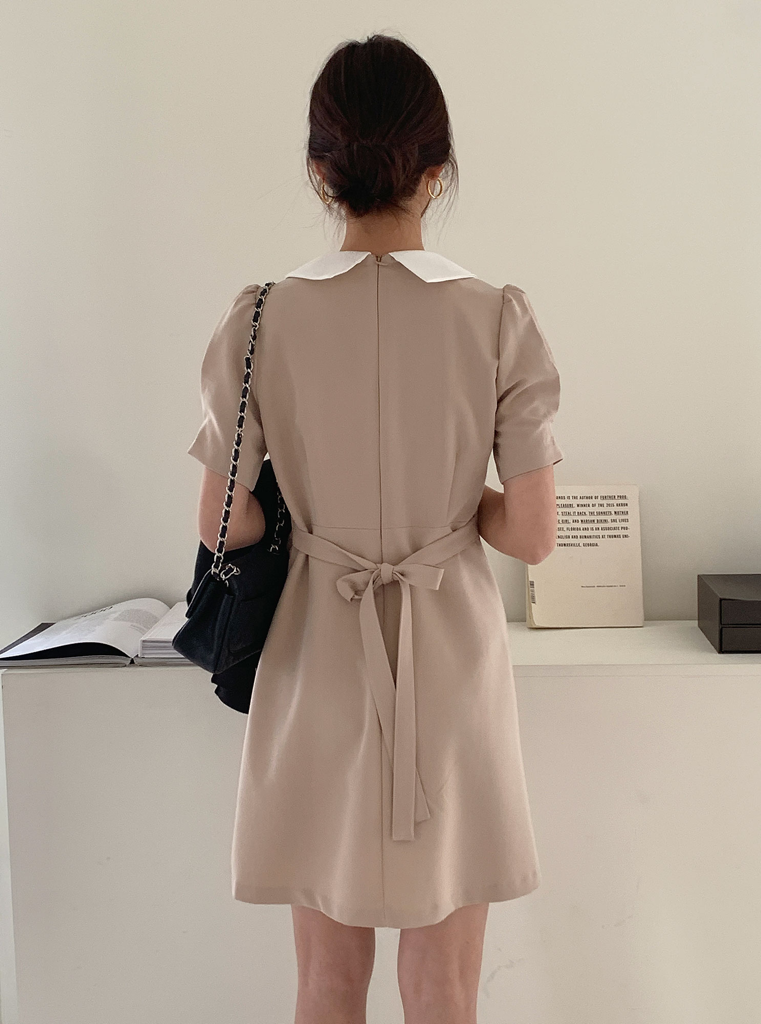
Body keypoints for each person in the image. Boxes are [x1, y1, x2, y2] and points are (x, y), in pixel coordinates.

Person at [188, 32, 564, 1024]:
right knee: (443, 989)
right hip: (451, 667)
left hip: (317, 659)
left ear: (322, 171)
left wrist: (309, 507)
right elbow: (532, 534)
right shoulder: (499, 317)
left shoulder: (260, 317)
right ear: (437, 169)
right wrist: (455, 506)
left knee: (324, 984)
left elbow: (222, 520)